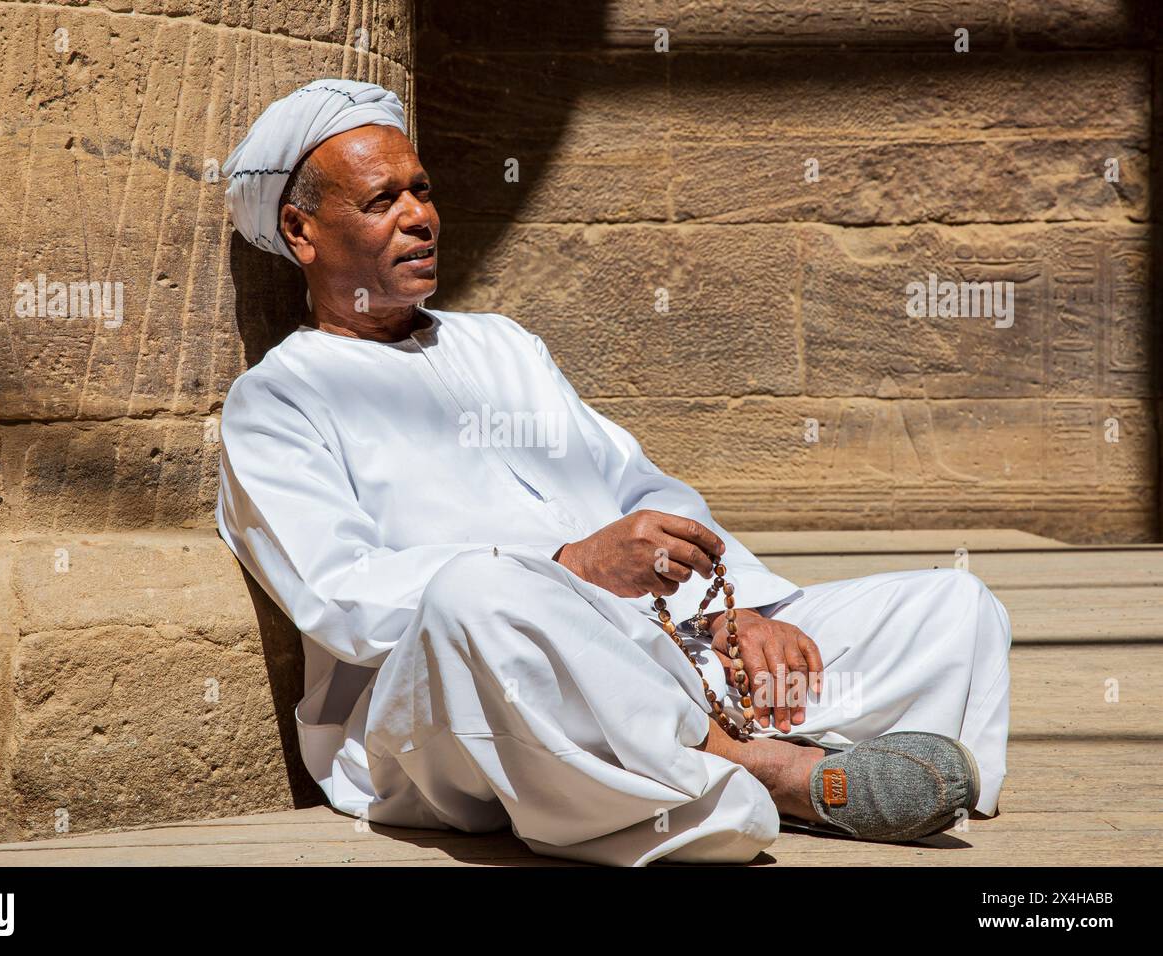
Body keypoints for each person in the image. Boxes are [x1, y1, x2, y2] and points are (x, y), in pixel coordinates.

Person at [215, 78, 1012, 866]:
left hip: (662, 640)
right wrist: (569, 568)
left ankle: (716, 753)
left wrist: (739, 611)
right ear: (302, 230)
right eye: (381, 200)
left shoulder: (501, 344)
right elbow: (340, 596)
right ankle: (769, 771)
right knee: (477, 595)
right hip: (460, 705)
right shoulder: (278, 400)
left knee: (953, 607)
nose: (419, 216)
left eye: (421, 190)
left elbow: (643, 489)